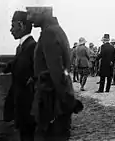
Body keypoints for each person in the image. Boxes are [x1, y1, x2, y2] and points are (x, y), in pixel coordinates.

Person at [26, 6, 83, 140]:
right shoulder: (54, 31)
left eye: (31, 12)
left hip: (51, 103)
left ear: (43, 11)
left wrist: (68, 101)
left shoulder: (50, 33)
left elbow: (57, 73)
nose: (29, 17)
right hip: (53, 101)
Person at [0, 11, 36, 141]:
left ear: (21, 25)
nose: (11, 30)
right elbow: (18, 65)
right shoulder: (22, 47)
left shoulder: (32, 47)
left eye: (13, 26)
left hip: (28, 107)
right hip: (22, 107)